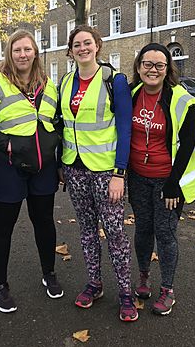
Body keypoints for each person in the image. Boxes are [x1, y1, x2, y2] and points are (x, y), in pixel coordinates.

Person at [0, 29, 63, 314]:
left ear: (35, 52)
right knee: (2, 228)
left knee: (45, 222)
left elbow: (58, 122)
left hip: (43, 166)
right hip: (7, 166)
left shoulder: (50, 85)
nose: (22, 54)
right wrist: (7, 145)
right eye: (17, 50)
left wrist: (57, 158)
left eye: (27, 49)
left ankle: (48, 273)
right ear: (9, 54)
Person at [58, 25, 137, 322]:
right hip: (75, 169)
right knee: (87, 231)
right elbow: (62, 126)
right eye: (77, 44)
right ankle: (95, 283)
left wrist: (120, 173)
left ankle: (126, 292)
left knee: (115, 232)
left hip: (107, 172)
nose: (82, 48)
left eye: (87, 43)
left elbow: (125, 128)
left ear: (97, 46)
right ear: (71, 50)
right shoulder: (65, 82)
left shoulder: (113, 80)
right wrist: (61, 165)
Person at [127, 43, 195, 316]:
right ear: (138, 67)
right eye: (147, 64)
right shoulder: (132, 94)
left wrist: (174, 184)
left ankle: (168, 289)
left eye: (160, 65)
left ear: (167, 69)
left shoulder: (183, 100)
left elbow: (187, 145)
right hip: (137, 178)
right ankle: (144, 277)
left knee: (166, 235)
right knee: (143, 230)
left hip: (167, 182)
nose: (153, 70)